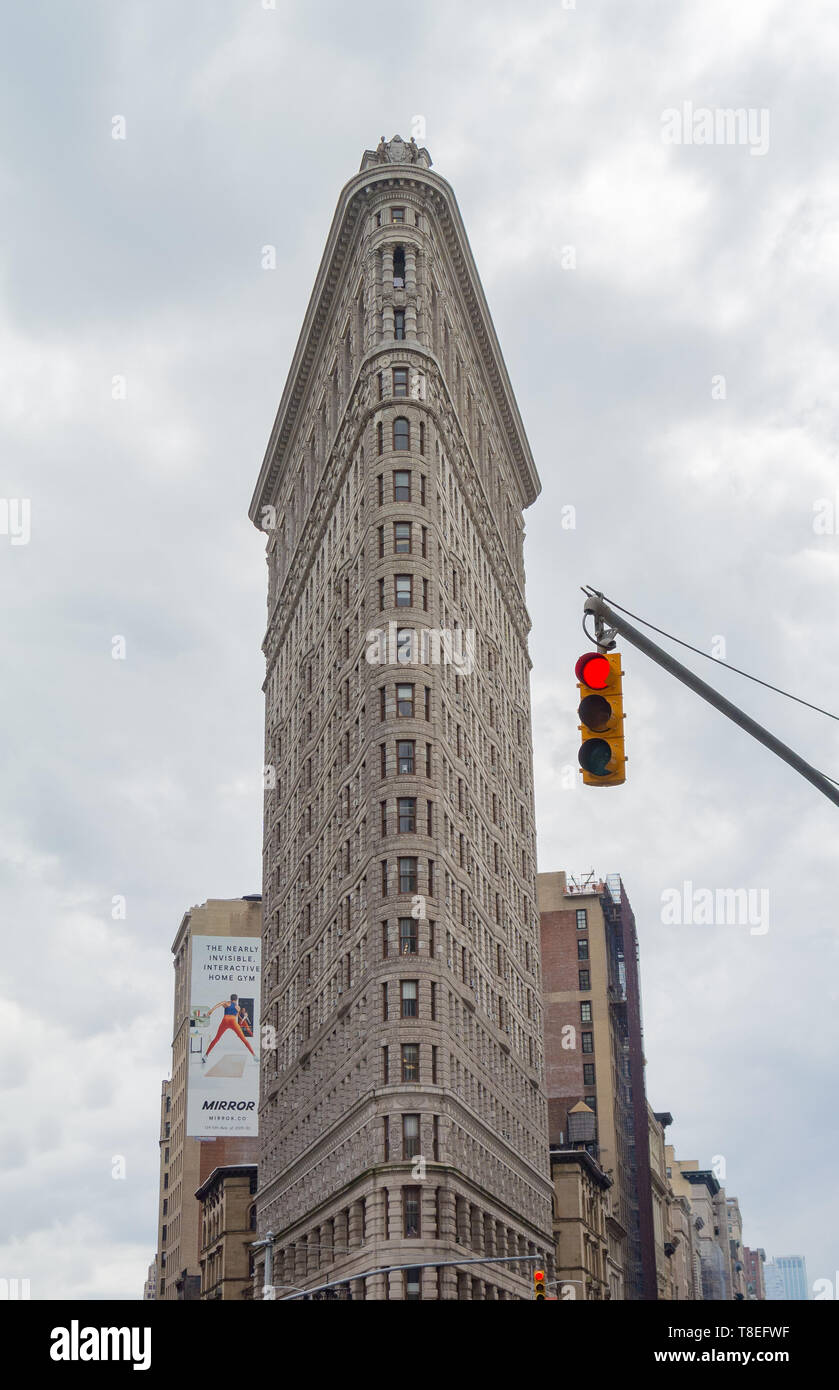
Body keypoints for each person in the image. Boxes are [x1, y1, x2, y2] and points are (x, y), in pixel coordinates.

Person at [202, 992, 255, 1061]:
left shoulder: (226, 1003)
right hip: (233, 1021)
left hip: (225, 1020)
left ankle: (206, 1056)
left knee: (216, 1038)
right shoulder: (238, 1007)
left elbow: (216, 1006)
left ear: (230, 998)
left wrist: (209, 1013)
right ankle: (254, 1055)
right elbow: (236, 1017)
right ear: (236, 999)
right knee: (243, 1039)